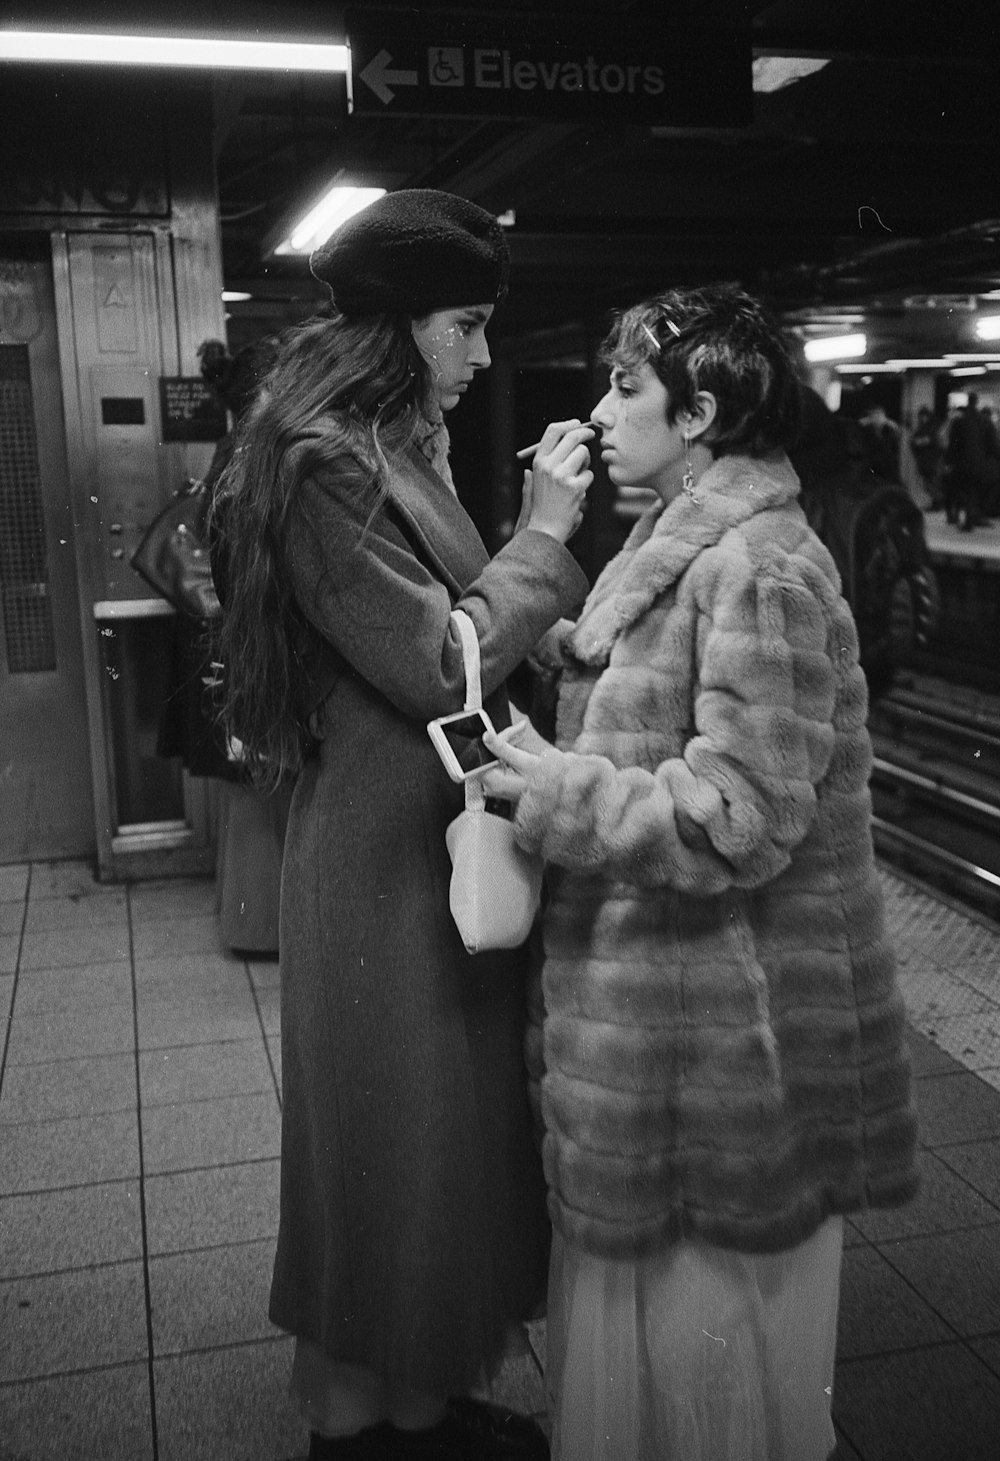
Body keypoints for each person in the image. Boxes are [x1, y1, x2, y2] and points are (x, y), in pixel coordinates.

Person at [483, 285, 919, 1461]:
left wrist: (561, 792)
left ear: (702, 413)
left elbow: (745, 815)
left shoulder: (764, 567)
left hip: (727, 1036)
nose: (601, 407)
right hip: (662, 1022)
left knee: (708, 1359)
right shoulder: (674, 540)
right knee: (660, 1353)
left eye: (626, 386)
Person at [212, 189, 593, 1460]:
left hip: (420, 842)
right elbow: (438, 664)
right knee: (391, 1140)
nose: (483, 357)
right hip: (383, 859)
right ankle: (359, 1422)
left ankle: (413, 1396)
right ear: (394, 331)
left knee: (426, 1146)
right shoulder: (328, 466)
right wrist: (543, 541)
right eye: (465, 327)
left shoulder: (383, 451)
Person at [943, 391, 1000, 529]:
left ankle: (967, 517)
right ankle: (973, 517)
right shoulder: (985, 422)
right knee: (976, 491)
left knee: (963, 490)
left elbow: (953, 444)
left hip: (961, 465)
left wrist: (948, 462)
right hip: (980, 464)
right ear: (977, 403)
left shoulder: (959, 422)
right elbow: (993, 445)